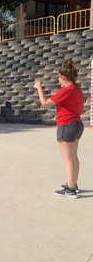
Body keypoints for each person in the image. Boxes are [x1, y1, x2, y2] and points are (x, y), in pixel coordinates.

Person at [34, 59, 84, 199]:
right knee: (74, 157)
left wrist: (39, 87)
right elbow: (80, 106)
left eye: (58, 78)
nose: (58, 80)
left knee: (68, 158)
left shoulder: (66, 90)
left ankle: (71, 189)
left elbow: (44, 103)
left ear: (63, 77)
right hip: (77, 124)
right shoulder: (77, 88)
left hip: (66, 126)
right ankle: (73, 183)